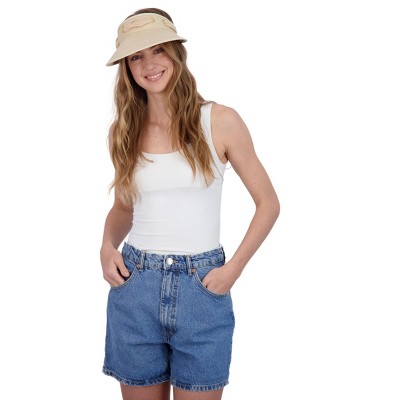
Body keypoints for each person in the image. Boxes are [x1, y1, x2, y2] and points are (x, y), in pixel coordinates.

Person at [100, 7, 280, 400]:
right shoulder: (124, 131)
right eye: (136, 56)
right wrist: (107, 246)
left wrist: (232, 270)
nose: (149, 64)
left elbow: (268, 203)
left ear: (176, 53)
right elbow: (124, 209)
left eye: (158, 50)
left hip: (202, 287)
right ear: (127, 67)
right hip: (135, 285)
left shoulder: (220, 121)